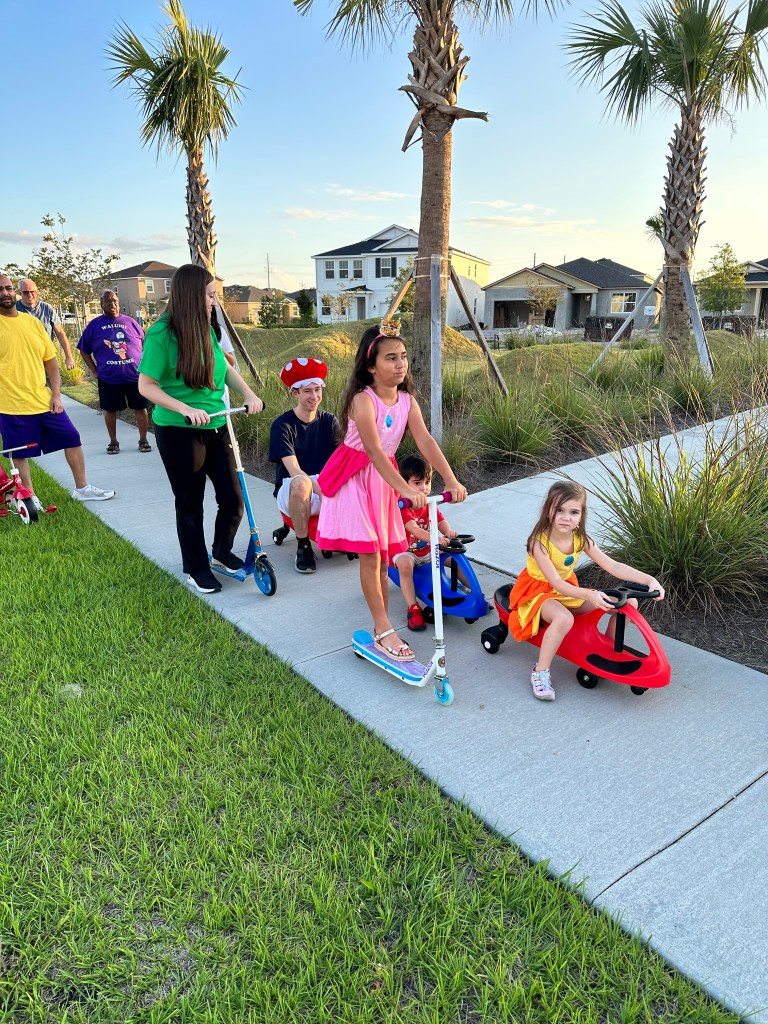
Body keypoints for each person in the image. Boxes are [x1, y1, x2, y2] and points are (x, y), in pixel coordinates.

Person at [316, 319, 466, 661]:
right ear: (370, 366)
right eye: (390, 358)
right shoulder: (362, 400)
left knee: (384, 558)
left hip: (383, 481)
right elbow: (371, 450)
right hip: (355, 479)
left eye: (403, 357)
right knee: (371, 555)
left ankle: (380, 625)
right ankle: (384, 629)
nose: (400, 364)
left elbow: (425, 440)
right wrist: (403, 487)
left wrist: (451, 479)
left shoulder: (406, 400)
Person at [138, 264, 264, 595]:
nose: (214, 302)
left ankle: (221, 552)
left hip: (218, 424)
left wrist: (249, 394)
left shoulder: (204, 327)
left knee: (233, 498)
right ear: (193, 295)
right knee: (191, 502)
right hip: (179, 430)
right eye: (210, 295)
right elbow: (146, 386)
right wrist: (185, 408)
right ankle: (196, 567)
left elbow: (223, 368)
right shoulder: (161, 334)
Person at [507, 480, 664, 702]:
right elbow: (555, 583)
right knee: (563, 618)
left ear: (581, 515)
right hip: (538, 592)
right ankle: (540, 671)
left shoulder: (581, 539)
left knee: (628, 603)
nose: (566, 517)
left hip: (567, 589)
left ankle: (607, 650)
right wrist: (588, 594)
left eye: (573, 512)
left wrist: (649, 580)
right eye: (559, 510)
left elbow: (613, 566)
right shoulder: (538, 542)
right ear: (548, 510)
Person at [0, 273, 115, 504]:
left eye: (8, 288)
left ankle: (82, 489)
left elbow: (51, 361)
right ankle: (29, 498)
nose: (5, 293)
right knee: (20, 452)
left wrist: (56, 394)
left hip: (43, 399)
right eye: (0, 290)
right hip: (10, 403)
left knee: (71, 437)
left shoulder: (32, 322)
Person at [268, 357, 339, 574]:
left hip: (325, 483)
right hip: (293, 487)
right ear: (295, 393)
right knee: (301, 483)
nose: (314, 396)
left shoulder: (329, 421)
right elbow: (294, 470)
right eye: (307, 391)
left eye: (317, 390)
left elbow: (339, 462)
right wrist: (324, 492)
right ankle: (304, 546)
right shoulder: (282, 425)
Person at [77, 289, 152, 454]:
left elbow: (144, 343)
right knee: (110, 410)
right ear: (102, 304)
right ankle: (113, 442)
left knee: (140, 408)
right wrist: (94, 370)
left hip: (135, 376)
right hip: (108, 377)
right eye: (108, 301)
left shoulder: (131, 322)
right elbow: (83, 350)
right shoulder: (94, 325)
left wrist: (145, 365)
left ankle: (143, 439)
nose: (112, 304)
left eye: (115, 301)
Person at [392, 453, 460, 631]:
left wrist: (448, 532)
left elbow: (440, 521)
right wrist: (436, 539)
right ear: (404, 484)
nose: (424, 488)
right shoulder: (403, 505)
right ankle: (413, 608)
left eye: (427, 482)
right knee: (405, 565)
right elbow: (414, 529)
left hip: (430, 549)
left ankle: (474, 595)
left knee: (456, 559)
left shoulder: (429, 503)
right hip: (407, 550)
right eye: (417, 483)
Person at [16, 277, 75, 370]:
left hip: (46, 356)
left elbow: (60, 333)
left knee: (53, 383)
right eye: (26, 292)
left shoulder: (46, 308)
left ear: (37, 292)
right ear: (19, 293)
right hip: (24, 358)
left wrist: (69, 356)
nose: (30, 295)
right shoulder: (14, 309)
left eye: (32, 292)